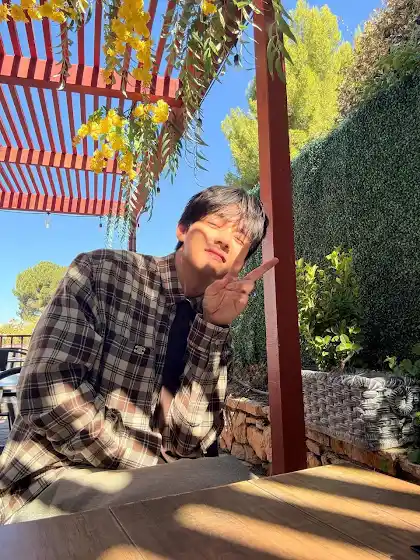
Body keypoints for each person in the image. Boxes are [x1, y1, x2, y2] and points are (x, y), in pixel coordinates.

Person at [0, 185, 277, 524]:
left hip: (158, 487)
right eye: (216, 224)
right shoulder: (102, 273)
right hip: (52, 478)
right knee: (229, 485)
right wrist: (151, 467)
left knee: (232, 481)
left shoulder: (214, 326)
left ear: (240, 264)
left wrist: (212, 327)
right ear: (182, 229)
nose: (223, 240)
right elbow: (46, 395)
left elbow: (188, 443)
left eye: (239, 239)